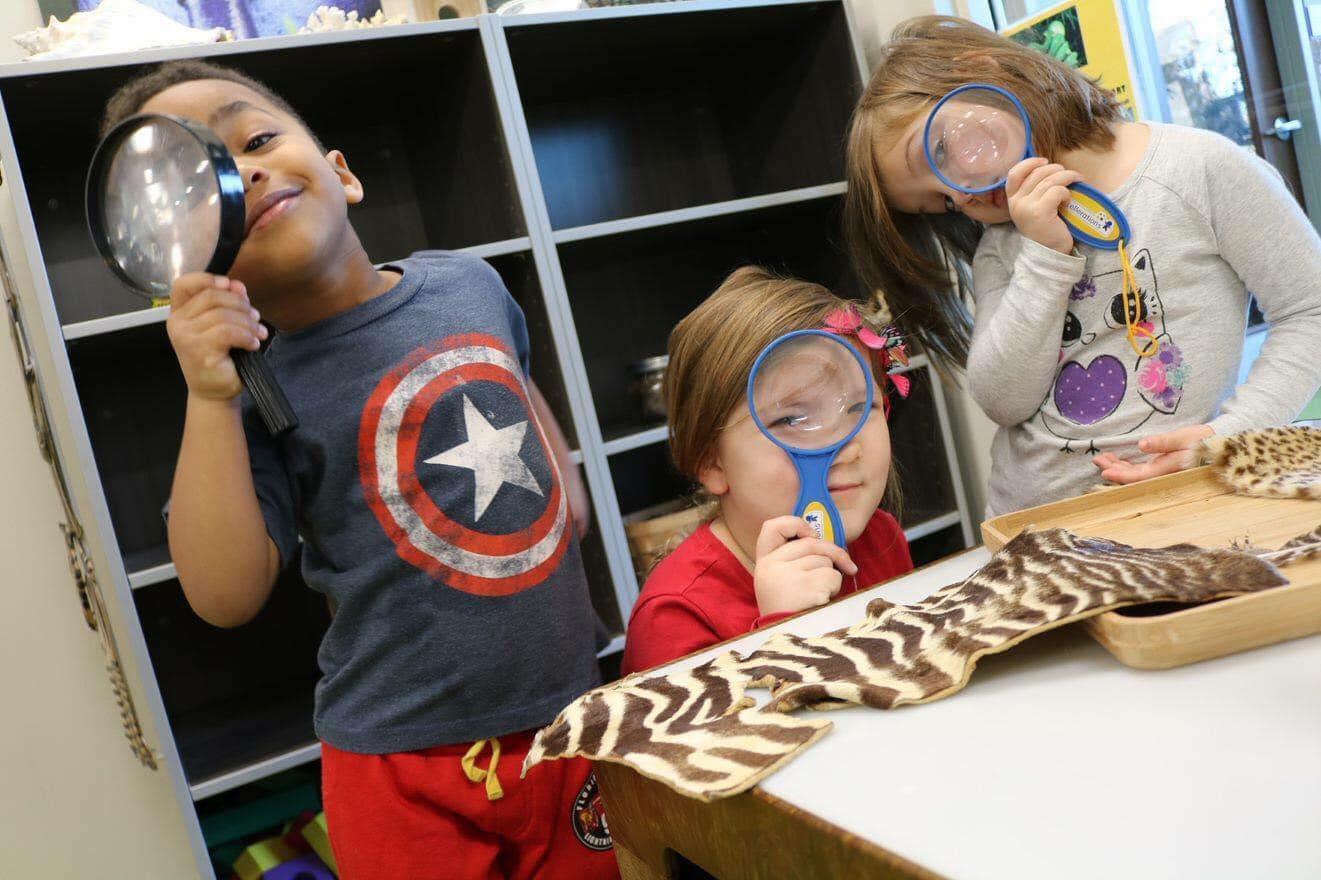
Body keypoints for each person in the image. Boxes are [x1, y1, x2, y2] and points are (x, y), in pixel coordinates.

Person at [101, 60, 617, 880]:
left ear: (341, 173)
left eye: (256, 139)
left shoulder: (468, 281)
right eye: (205, 183)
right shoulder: (246, 392)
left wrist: (568, 504)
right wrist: (207, 395)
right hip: (403, 771)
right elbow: (224, 595)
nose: (246, 171)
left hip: (571, 719)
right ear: (180, 264)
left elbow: (521, 395)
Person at [843, 16, 1321, 516]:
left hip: (1172, 512)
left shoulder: (1199, 168)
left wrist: (1226, 437)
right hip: (1028, 526)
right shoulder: (1002, 246)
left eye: (940, 152)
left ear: (987, 73)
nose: (960, 196)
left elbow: (1309, 312)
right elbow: (1003, 400)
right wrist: (1045, 255)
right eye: (943, 204)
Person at [621, 267, 913, 674]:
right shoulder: (675, 615)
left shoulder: (880, 536)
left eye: (858, 408)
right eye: (791, 420)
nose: (845, 449)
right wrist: (783, 630)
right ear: (710, 462)